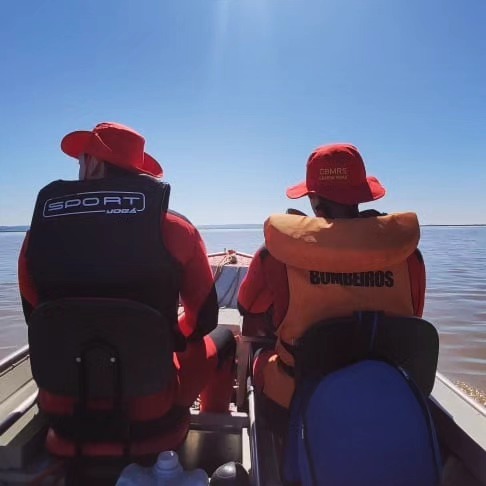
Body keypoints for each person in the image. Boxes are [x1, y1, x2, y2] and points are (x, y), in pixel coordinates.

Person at [18, 122, 236, 455]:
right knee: (222, 339)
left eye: (81, 161)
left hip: (63, 411)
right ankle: (217, 435)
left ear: (93, 163)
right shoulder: (177, 228)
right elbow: (203, 320)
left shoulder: (37, 235)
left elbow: (36, 316)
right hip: (151, 412)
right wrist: (168, 335)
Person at [238, 143, 425, 416]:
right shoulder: (409, 257)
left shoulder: (276, 254)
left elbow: (248, 308)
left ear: (315, 201)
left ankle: (271, 437)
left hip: (302, 393)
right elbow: (412, 319)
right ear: (361, 196)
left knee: (255, 352)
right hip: (383, 392)